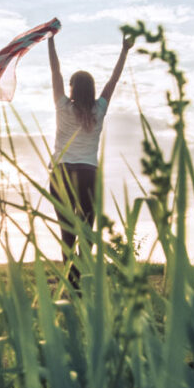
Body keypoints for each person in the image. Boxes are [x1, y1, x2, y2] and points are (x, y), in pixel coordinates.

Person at [47, 32, 134, 287]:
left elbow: (56, 71)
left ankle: (71, 281)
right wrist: (124, 51)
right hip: (87, 174)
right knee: (85, 230)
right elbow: (113, 80)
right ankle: (80, 278)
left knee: (67, 230)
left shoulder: (63, 106)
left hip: (61, 174)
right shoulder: (99, 110)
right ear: (92, 90)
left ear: (72, 88)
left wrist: (50, 40)